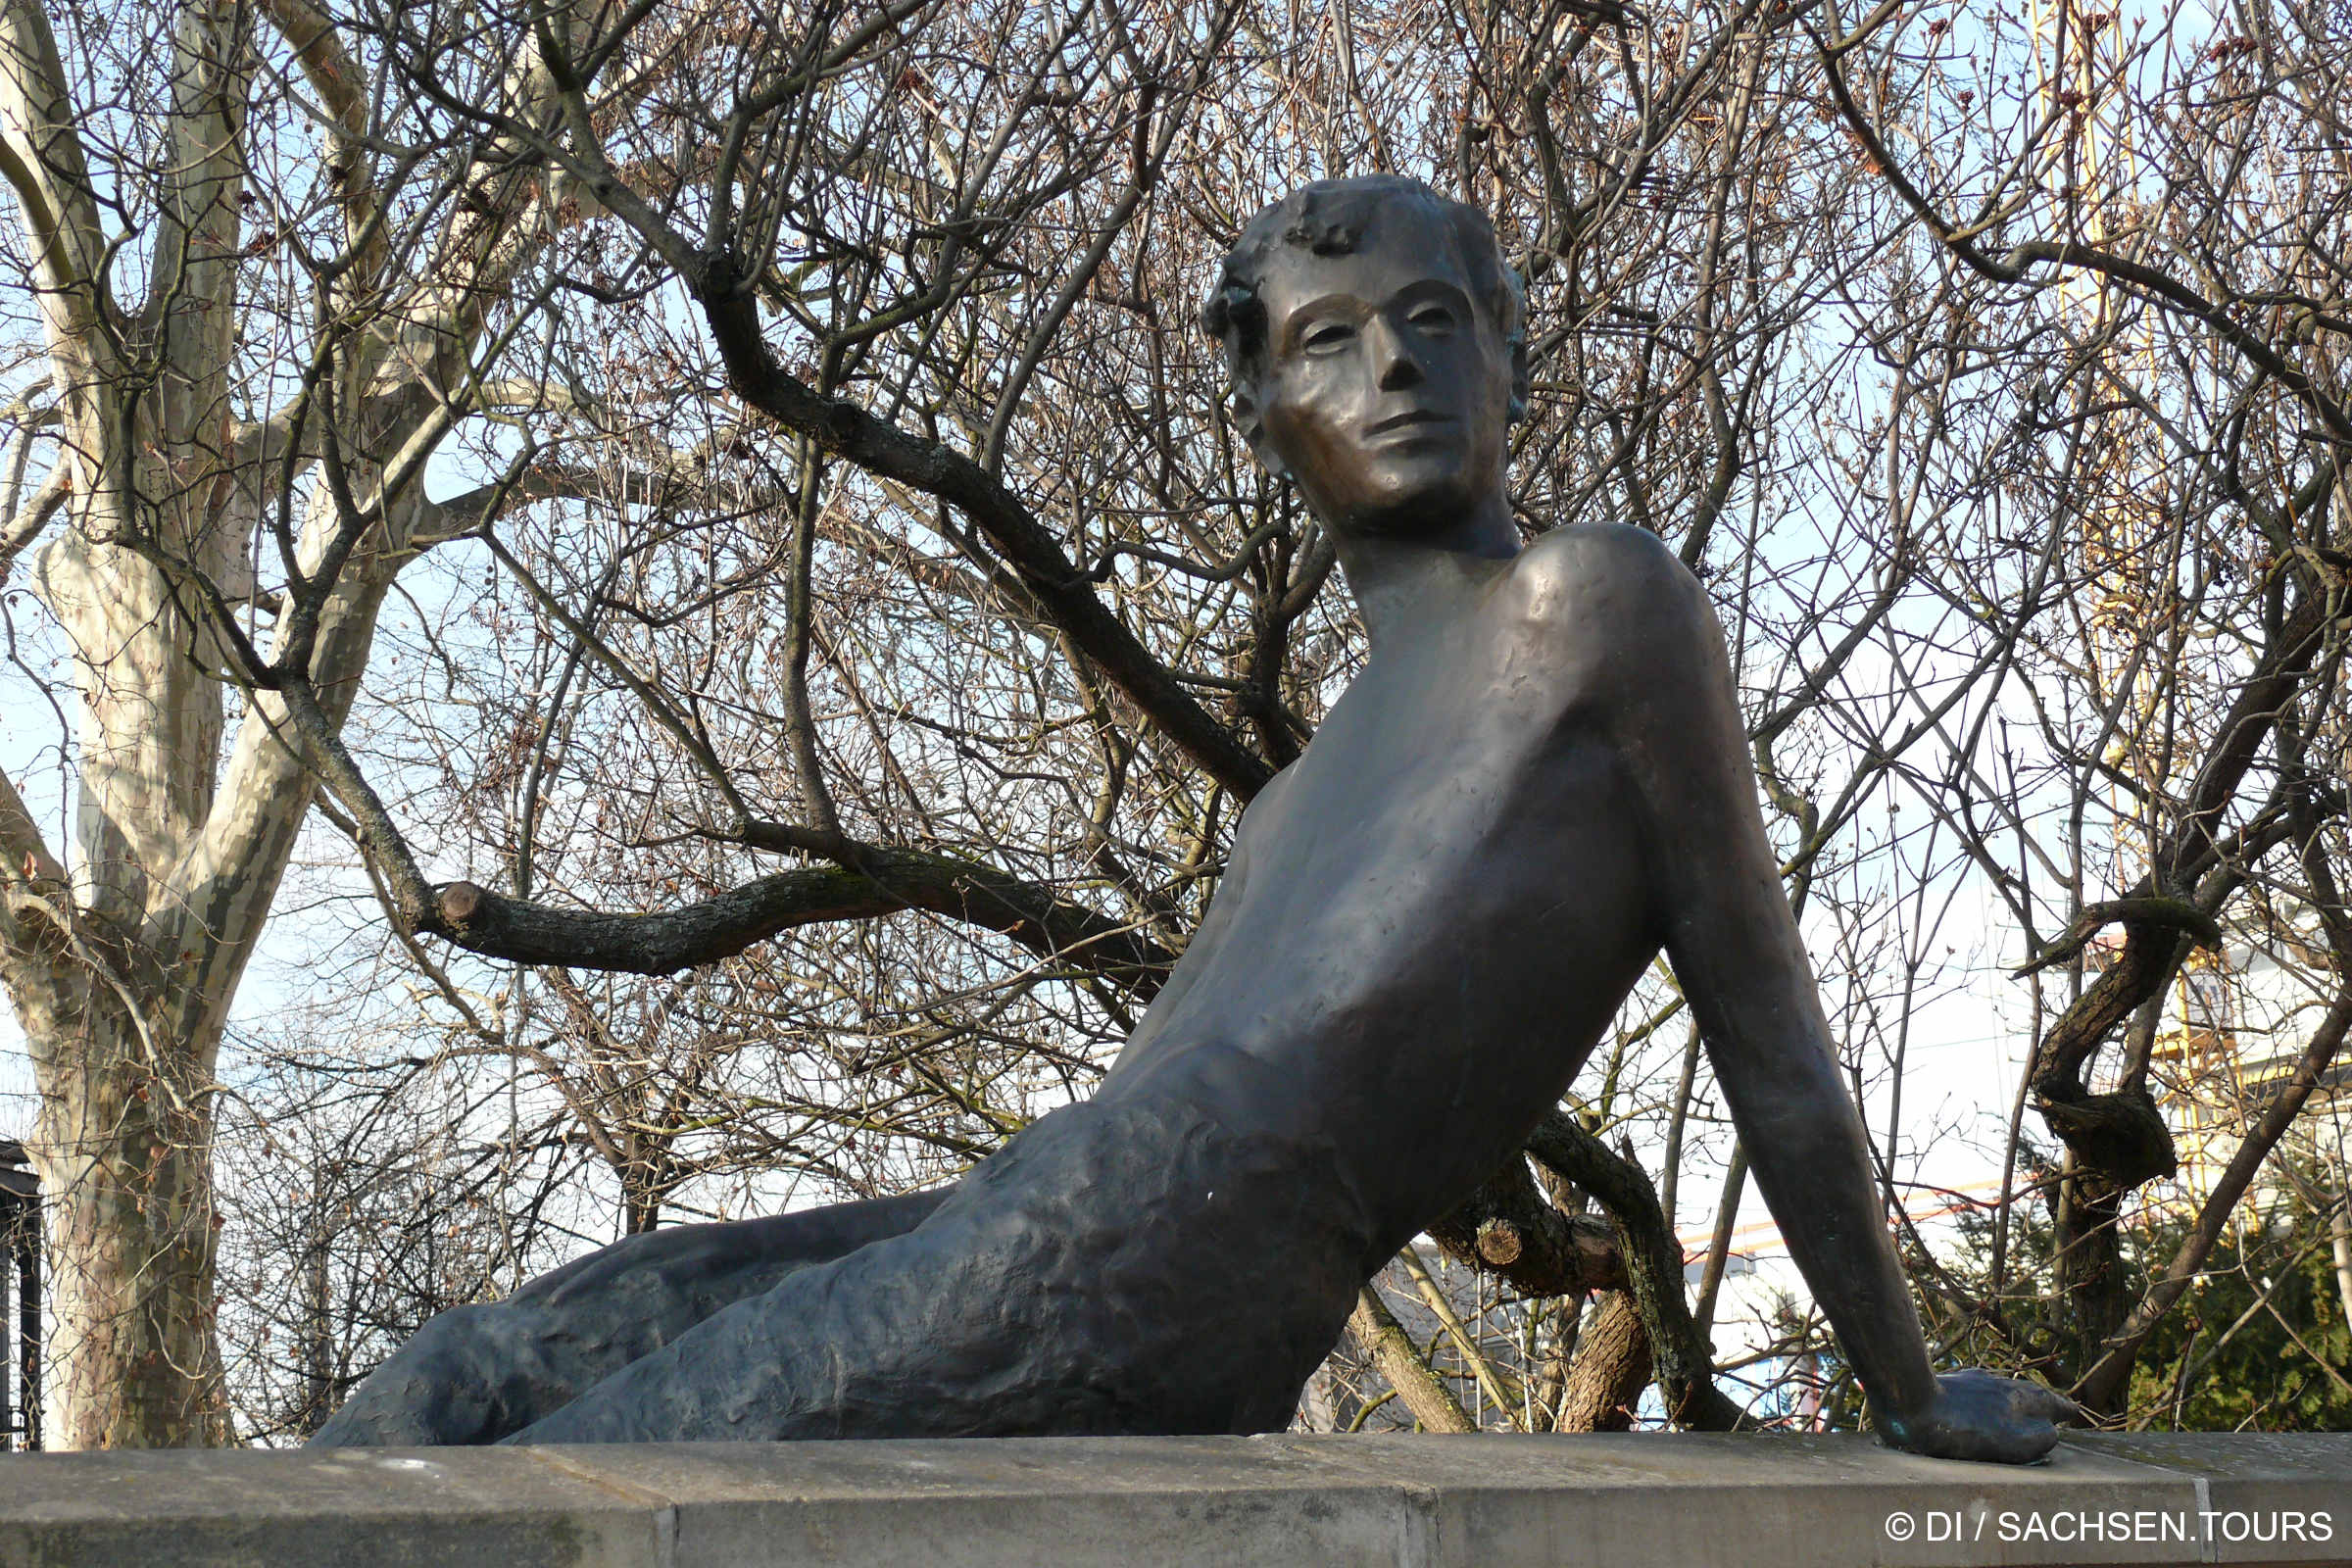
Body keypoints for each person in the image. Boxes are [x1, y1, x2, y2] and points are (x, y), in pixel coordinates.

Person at [313, 177, 2073, 1461]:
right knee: (485, 1363)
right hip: (1055, 1204)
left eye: (1436, 322)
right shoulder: (1301, 790)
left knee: (616, 1449)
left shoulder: (1593, 607)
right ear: (1269, 409)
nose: (1393, 366)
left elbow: (1771, 1034)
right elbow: (1122, 1124)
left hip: (1183, 1254)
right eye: (1332, 340)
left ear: (1514, 358)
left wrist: (1907, 1390)